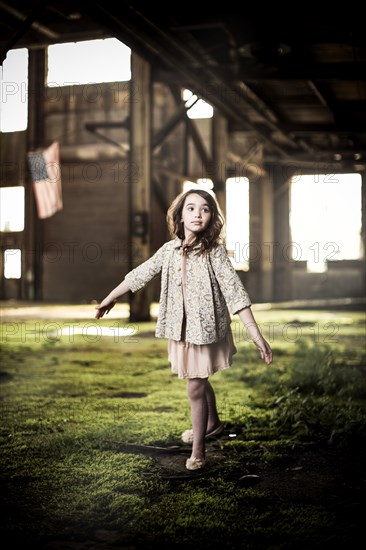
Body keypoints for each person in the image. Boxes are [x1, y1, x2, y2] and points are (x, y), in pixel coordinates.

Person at [95, 189, 272, 471]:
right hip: (180, 330)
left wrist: (256, 335)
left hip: (206, 331)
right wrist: (110, 297)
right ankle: (212, 422)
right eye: (191, 208)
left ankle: (199, 450)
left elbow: (235, 293)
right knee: (198, 377)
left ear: (212, 216)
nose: (197, 214)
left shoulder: (215, 253)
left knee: (194, 385)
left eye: (205, 209)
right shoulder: (168, 251)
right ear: (180, 215)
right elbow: (140, 274)